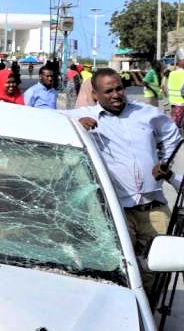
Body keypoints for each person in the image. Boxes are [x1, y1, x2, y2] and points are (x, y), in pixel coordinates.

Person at [68, 68, 182, 303]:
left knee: (159, 268)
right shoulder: (83, 116)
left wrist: (165, 161)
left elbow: (172, 135)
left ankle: (148, 317)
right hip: (116, 210)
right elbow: (44, 120)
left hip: (154, 205)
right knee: (122, 269)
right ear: (96, 94)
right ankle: (126, 314)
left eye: (119, 88)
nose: (116, 94)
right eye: (108, 91)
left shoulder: (146, 113)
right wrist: (77, 126)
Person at [167, 53, 184, 129]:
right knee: (178, 125)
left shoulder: (172, 74)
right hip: (181, 103)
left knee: (175, 124)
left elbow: (167, 88)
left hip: (173, 102)